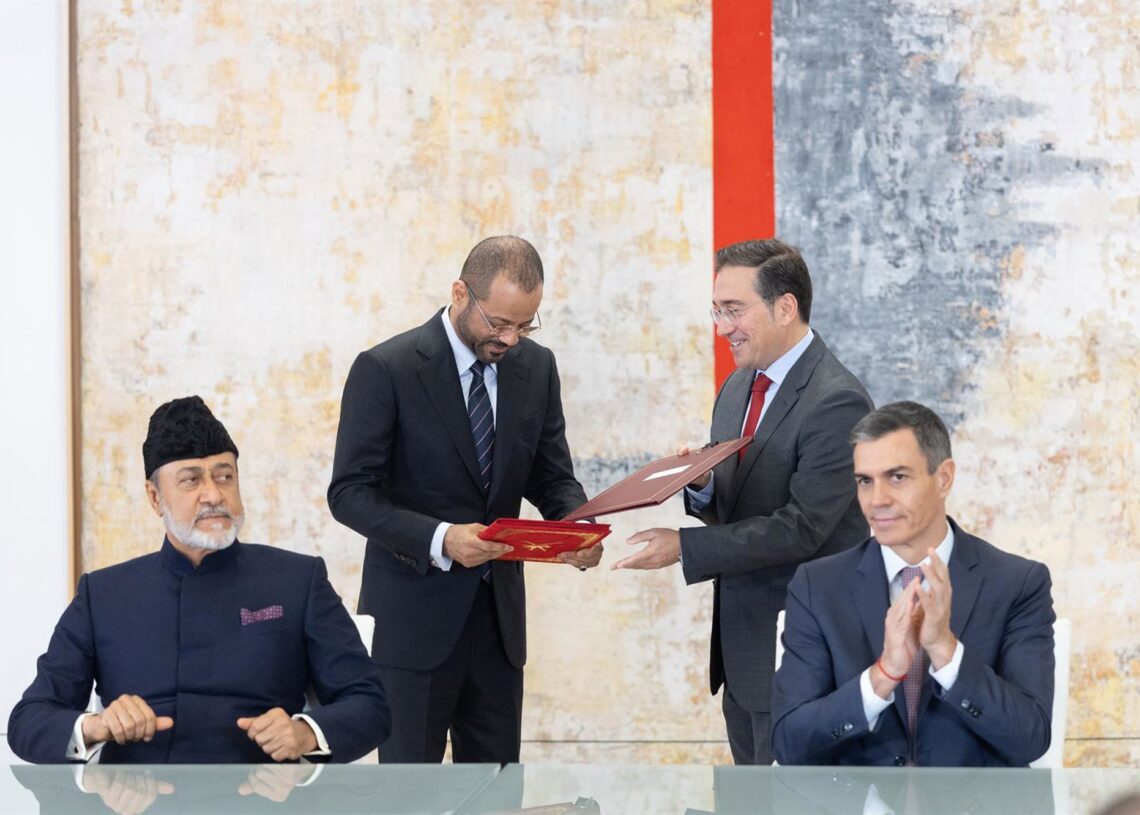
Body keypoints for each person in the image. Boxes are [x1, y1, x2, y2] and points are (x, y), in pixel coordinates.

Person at [327, 235, 601, 764]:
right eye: (499, 323)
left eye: (525, 325)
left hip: (499, 630)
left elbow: (551, 477)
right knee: (411, 800)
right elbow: (349, 494)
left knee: (497, 793)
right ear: (459, 293)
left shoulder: (536, 368)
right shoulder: (387, 369)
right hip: (413, 629)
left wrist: (575, 527)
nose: (511, 339)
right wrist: (441, 539)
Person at [7, 396, 390, 764]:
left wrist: (305, 732)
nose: (213, 494)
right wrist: (97, 726)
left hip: (262, 799)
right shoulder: (102, 594)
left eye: (225, 476)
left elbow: (370, 705)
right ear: (155, 498)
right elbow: (28, 721)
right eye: (190, 481)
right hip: (137, 803)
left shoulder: (298, 580)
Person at [614, 238, 873, 765]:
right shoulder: (737, 387)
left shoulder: (837, 399)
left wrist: (685, 548)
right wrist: (700, 483)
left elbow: (803, 527)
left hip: (806, 652)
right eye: (717, 310)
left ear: (785, 306)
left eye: (733, 310)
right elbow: (739, 503)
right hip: (742, 655)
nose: (722, 326)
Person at [771, 401, 1055, 766]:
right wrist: (883, 675)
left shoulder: (1017, 583)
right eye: (865, 481)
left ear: (944, 478)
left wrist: (945, 650)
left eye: (897, 477)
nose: (877, 500)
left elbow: (1031, 738)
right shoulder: (817, 586)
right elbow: (789, 742)